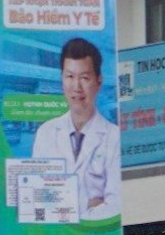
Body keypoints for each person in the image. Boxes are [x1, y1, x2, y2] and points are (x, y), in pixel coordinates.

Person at [27, 35, 122, 223]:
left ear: (98, 81)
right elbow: (37, 202)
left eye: (84, 78)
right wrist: (91, 205)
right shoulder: (46, 133)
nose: (76, 87)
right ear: (62, 79)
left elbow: (115, 205)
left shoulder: (114, 137)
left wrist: (69, 213)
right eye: (70, 77)